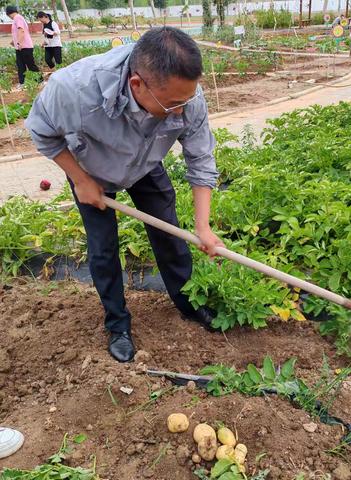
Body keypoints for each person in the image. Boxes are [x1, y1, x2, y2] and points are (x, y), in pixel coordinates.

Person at [25, 27, 225, 363]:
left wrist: (203, 226)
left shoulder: (185, 95)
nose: (181, 110)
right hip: (94, 173)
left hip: (145, 165)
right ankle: (117, 325)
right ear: (137, 85)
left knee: (170, 236)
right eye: (173, 104)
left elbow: (200, 158)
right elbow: (42, 133)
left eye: (186, 101)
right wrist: (80, 179)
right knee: (103, 250)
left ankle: (189, 303)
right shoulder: (74, 90)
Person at [5, 5, 41, 87]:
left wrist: (19, 43)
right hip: (19, 47)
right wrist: (14, 41)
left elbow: (21, 30)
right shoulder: (16, 19)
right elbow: (17, 33)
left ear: (8, 13)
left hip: (25, 46)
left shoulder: (18, 18)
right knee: (20, 65)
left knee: (30, 64)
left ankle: (40, 80)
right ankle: (22, 83)